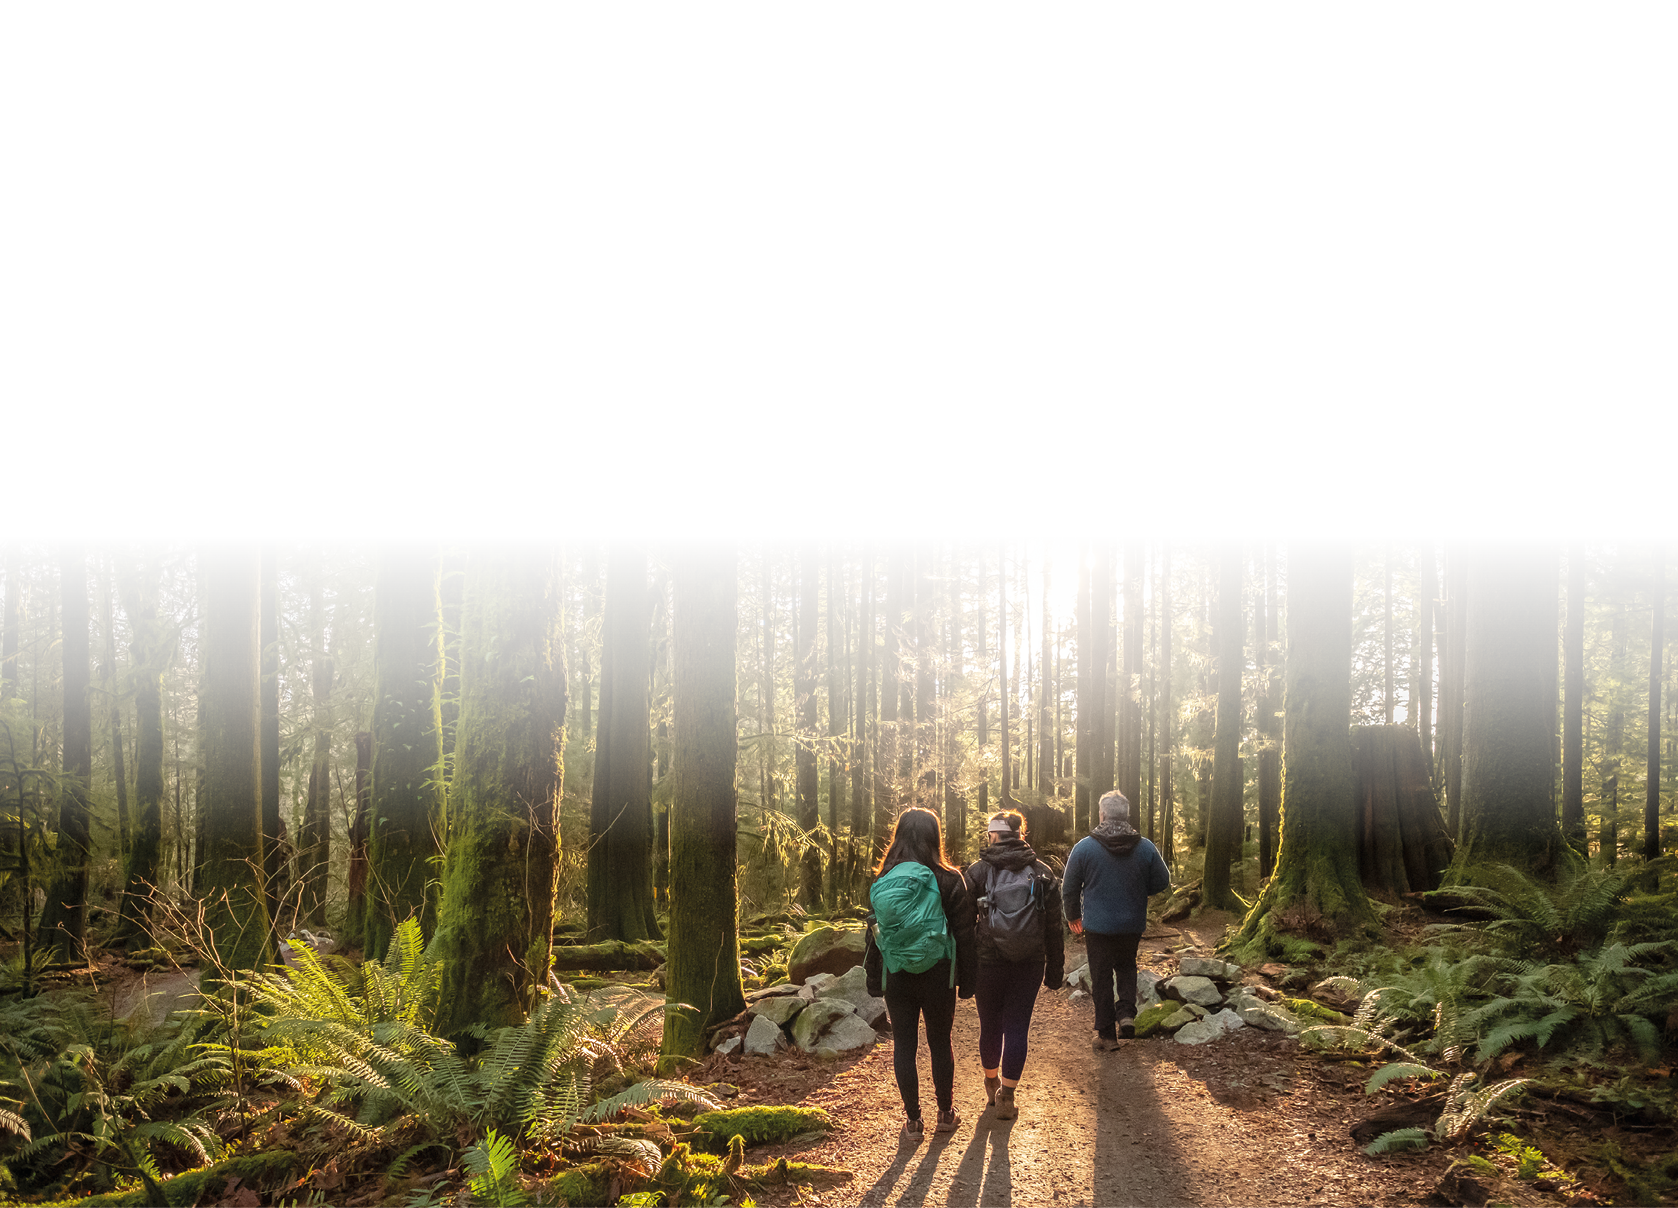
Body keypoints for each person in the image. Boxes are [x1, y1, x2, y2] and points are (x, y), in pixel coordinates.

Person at [864, 807, 978, 1140]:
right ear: (935, 837)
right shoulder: (950, 879)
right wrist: (968, 981)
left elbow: (873, 934)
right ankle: (945, 1113)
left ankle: (913, 1121)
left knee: (904, 1045)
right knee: (941, 1042)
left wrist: (874, 979)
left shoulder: (884, 880)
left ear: (898, 836)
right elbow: (965, 934)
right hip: (939, 974)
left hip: (896, 973)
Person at [963, 809, 1064, 1120]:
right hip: (1030, 961)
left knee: (990, 1024)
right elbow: (1053, 926)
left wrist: (964, 969)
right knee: (1018, 1026)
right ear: (1022, 835)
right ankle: (1007, 1096)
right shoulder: (1043, 871)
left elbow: (964, 923)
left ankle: (991, 1080)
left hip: (987, 961)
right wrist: (1055, 969)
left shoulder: (978, 872)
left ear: (993, 835)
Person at [1061, 790, 1171, 1050]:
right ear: (1126, 815)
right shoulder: (1144, 847)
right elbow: (1162, 880)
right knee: (1126, 967)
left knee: (1100, 975)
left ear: (1102, 814)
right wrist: (1139, 890)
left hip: (1098, 925)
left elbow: (1069, 886)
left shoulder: (1085, 847)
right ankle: (1126, 1015)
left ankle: (1107, 1035)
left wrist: (1073, 915)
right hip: (1131, 922)